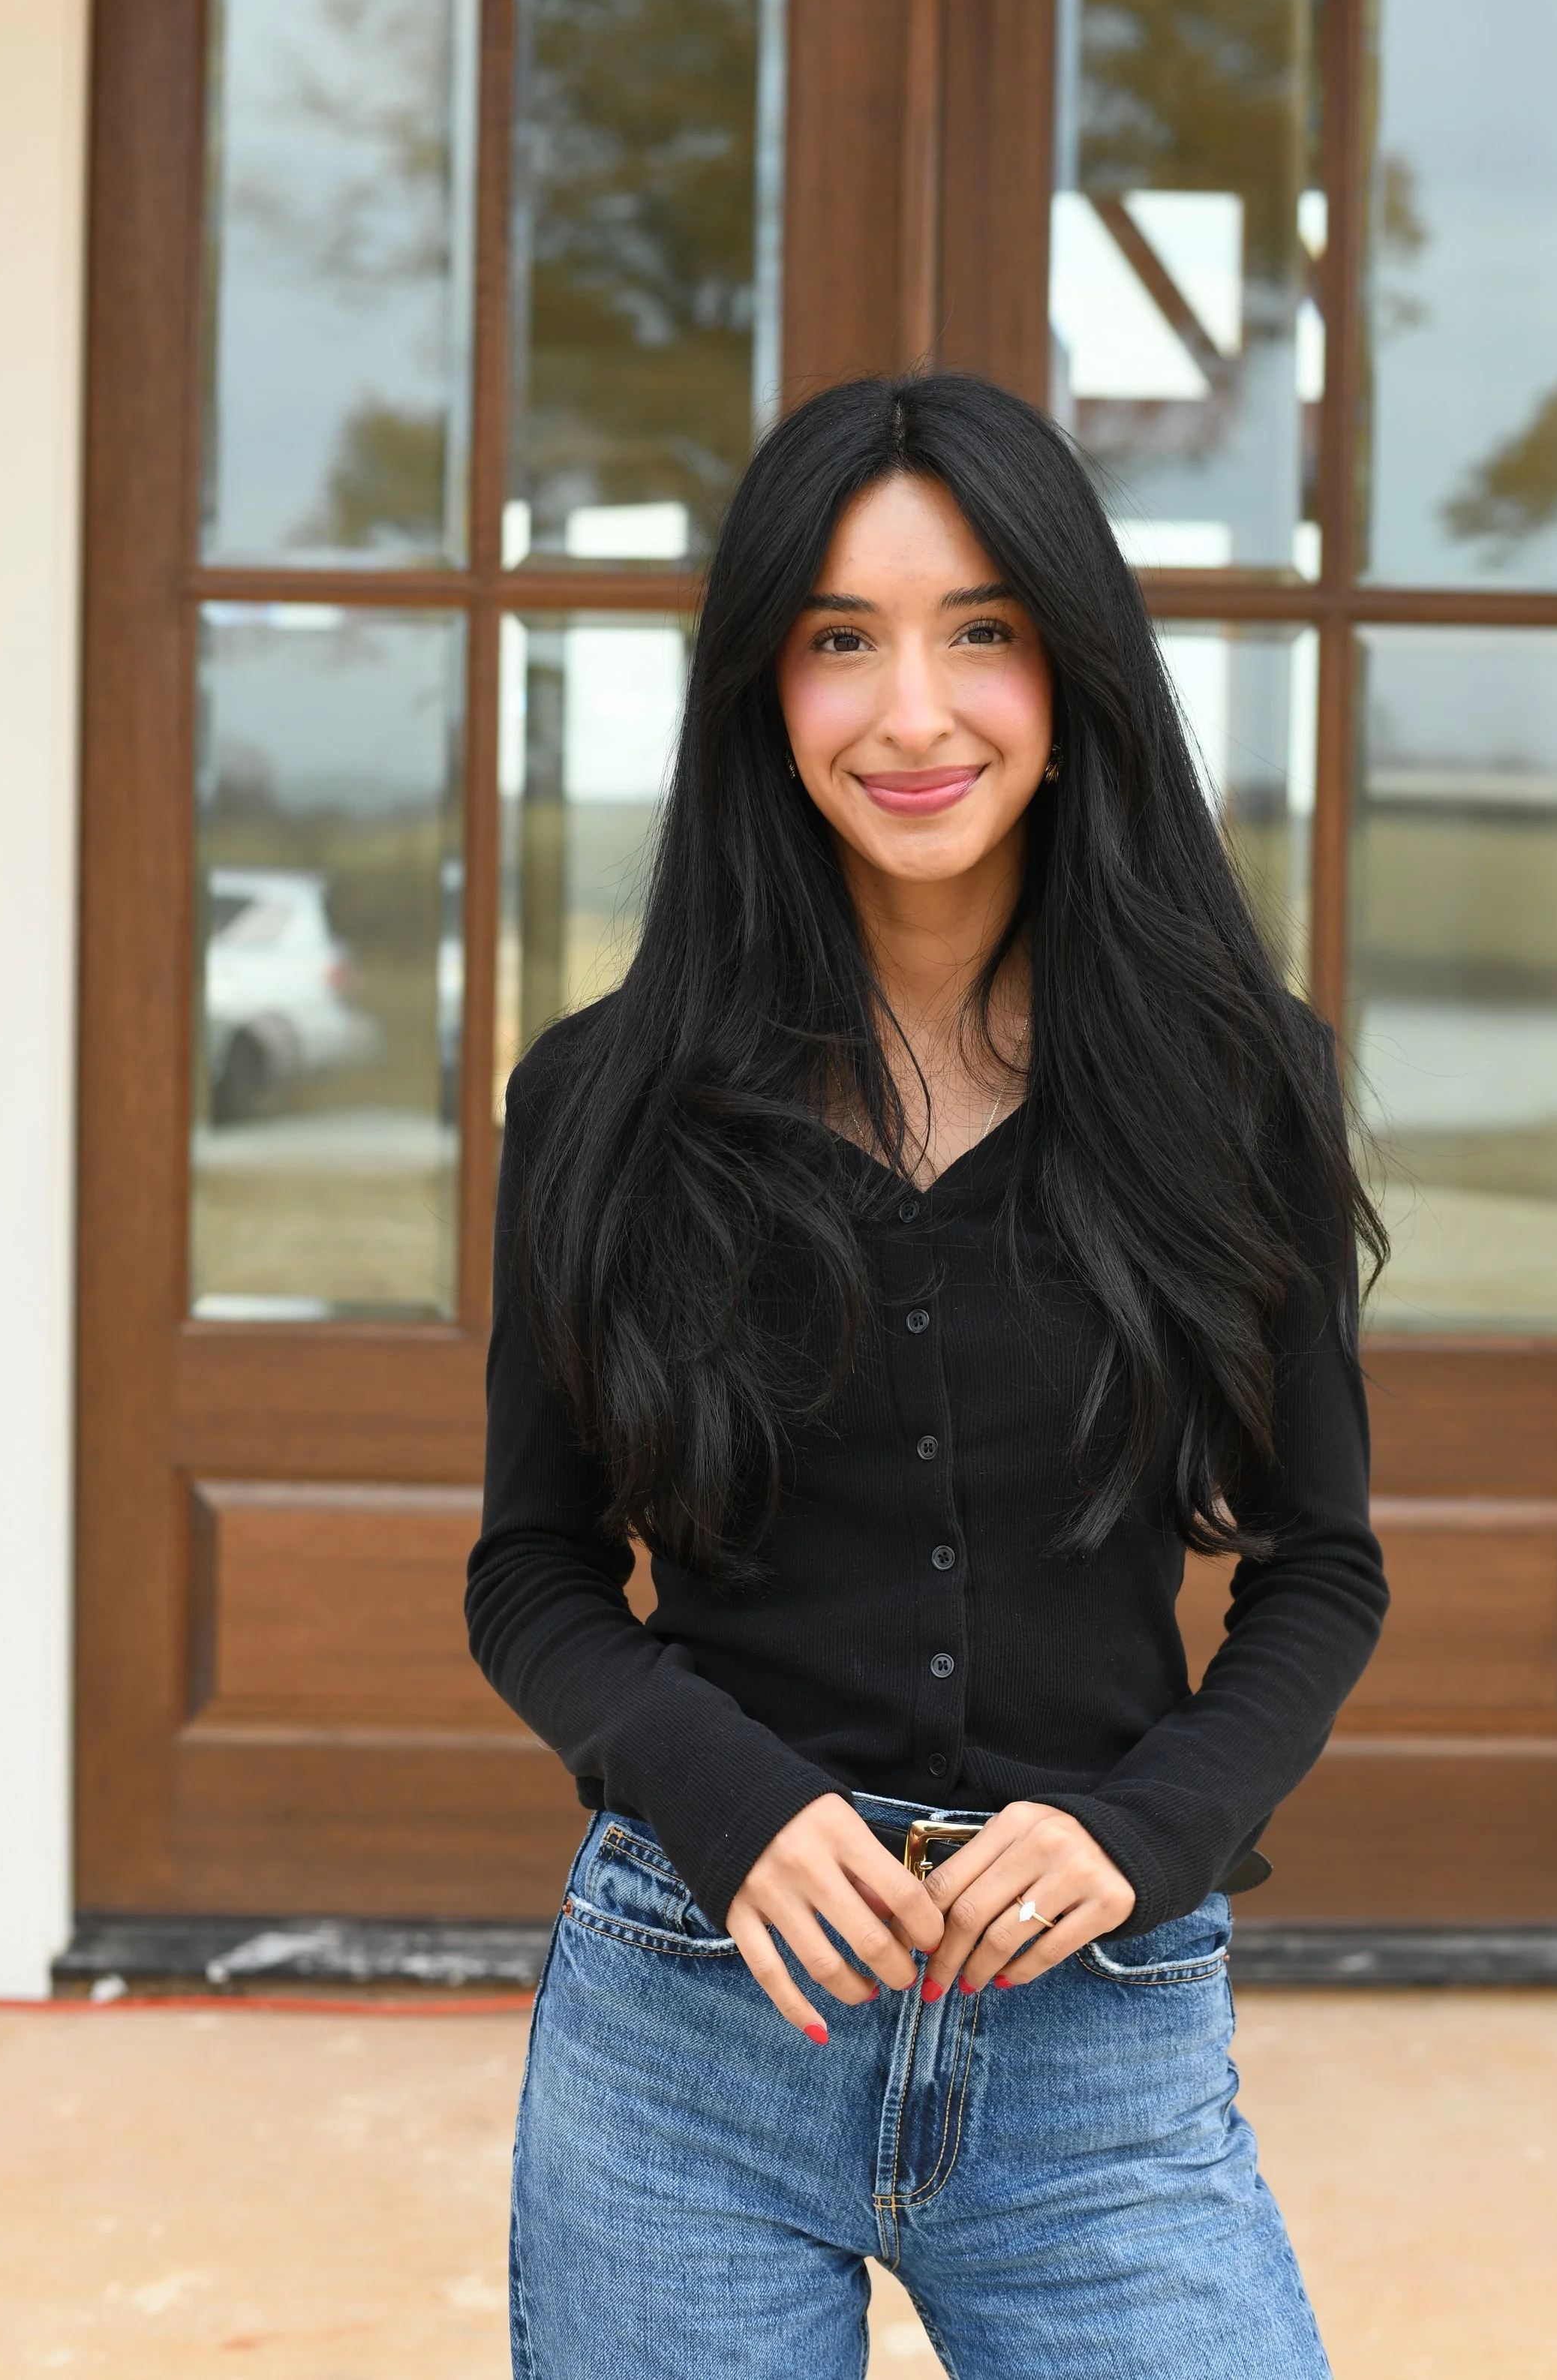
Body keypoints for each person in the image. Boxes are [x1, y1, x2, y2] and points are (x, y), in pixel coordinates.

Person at [467, 371, 1387, 2378]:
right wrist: (719, 1794)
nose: (911, 713)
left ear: (1071, 669)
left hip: (1094, 2055)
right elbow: (529, 1569)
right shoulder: (603, 1099)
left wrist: (1144, 1831)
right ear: (757, 688)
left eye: (978, 629)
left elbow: (1323, 1564)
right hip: (698, 2023)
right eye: (837, 640)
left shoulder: (1239, 1083)